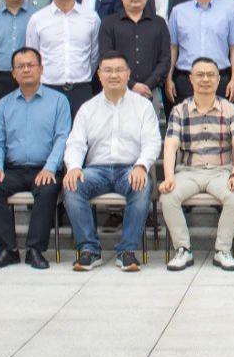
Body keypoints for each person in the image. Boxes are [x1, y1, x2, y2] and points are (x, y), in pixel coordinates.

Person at [62, 52, 160, 272]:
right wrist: (74, 167)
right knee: (72, 184)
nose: (113, 75)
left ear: (128, 74)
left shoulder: (143, 106)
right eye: (108, 70)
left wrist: (142, 165)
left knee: (141, 184)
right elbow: (76, 142)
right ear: (99, 75)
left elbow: (152, 142)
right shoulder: (88, 108)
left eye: (119, 70)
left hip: (130, 169)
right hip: (97, 170)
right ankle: (89, 249)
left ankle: (127, 251)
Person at [0, 47, 71, 270]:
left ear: (41, 69)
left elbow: (63, 138)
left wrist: (50, 168)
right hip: (13, 169)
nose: (26, 70)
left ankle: (35, 250)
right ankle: (7, 249)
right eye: (20, 66)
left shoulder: (58, 101)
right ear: (13, 73)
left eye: (31, 65)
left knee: (47, 188)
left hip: (45, 167)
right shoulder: (4, 104)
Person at [159, 58, 234, 272]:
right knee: (168, 197)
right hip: (188, 172)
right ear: (191, 79)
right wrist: (169, 177)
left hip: (220, 172)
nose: (205, 79)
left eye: (210, 75)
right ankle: (183, 249)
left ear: (218, 80)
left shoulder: (231, 110)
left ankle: (223, 250)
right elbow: (170, 145)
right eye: (200, 75)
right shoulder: (179, 111)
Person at [25, 0, 101, 116]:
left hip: (82, 89)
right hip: (48, 89)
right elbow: (32, 55)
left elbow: (94, 57)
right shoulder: (37, 19)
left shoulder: (91, 18)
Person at [165, 0, 234, 106]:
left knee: (220, 120)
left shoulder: (229, 10)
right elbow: (172, 47)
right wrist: (168, 78)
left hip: (219, 80)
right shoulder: (178, 11)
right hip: (185, 80)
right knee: (186, 120)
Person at [98, 0, 170, 102]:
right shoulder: (108, 23)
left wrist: (148, 85)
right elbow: (105, 58)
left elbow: (165, 59)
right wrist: (131, 85)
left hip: (151, 92)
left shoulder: (159, 23)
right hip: (118, 91)